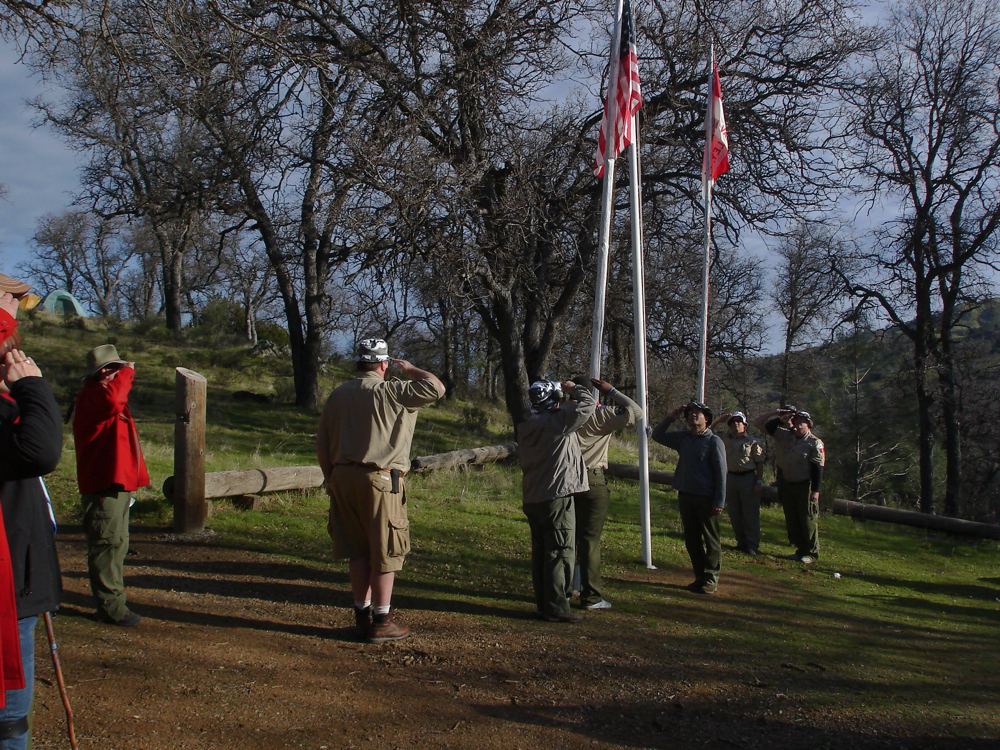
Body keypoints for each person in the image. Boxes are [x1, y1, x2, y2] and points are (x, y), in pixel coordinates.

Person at [316, 338, 444, 644]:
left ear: (358, 363)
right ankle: (382, 621)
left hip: (343, 478)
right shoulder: (394, 391)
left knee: (357, 550)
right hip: (381, 481)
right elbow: (436, 388)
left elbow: (323, 443)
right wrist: (410, 369)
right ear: (384, 365)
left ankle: (361, 617)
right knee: (385, 551)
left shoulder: (338, 394)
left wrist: (331, 479)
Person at [0, 278, 63, 750]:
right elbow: (40, 451)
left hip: (20, 571)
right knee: (9, 719)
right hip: (8, 583)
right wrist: (33, 388)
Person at [71, 345, 149, 626]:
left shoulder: (99, 395)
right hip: (103, 484)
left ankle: (114, 604)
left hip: (114, 483)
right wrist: (127, 373)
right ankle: (111, 609)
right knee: (107, 544)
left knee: (117, 543)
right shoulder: (95, 396)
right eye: (117, 369)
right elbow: (116, 400)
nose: (123, 374)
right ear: (106, 371)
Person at [518, 379, 596, 623]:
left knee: (542, 554)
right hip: (556, 497)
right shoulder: (558, 422)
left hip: (533, 497)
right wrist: (574, 388)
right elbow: (588, 405)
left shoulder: (528, 425)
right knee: (560, 552)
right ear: (555, 399)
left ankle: (545, 604)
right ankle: (557, 607)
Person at [572, 377, 643, 610]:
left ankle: (563, 590)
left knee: (566, 537)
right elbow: (636, 412)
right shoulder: (599, 414)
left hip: (564, 479)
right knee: (589, 540)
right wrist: (611, 391)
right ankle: (591, 596)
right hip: (592, 479)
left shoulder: (560, 413)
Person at [651, 401, 726, 594]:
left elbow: (721, 473)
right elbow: (657, 435)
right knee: (692, 540)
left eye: (698, 413)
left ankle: (711, 578)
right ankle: (700, 577)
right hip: (686, 495)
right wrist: (671, 417)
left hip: (706, 498)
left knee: (711, 540)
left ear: (706, 419)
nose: (693, 415)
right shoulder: (683, 438)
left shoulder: (713, 441)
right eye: (691, 413)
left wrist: (719, 500)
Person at [753, 407, 825, 563]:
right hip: (788, 483)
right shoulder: (786, 436)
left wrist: (816, 490)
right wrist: (778, 416)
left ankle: (811, 552)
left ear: (809, 424)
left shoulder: (814, 442)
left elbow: (818, 468)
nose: (798, 423)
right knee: (792, 518)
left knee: (807, 519)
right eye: (796, 419)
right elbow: (761, 424)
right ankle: (800, 550)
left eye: (802, 421)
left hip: (805, 484)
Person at [710, 411, 764, 555]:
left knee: (750, 513)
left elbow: (759, 463)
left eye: (739, 421)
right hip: (730, 478)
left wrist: (759, 481)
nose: (736, 424)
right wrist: (719, 420)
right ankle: (741, 542)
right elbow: (708, 431)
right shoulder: (724, 438)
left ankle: (752, 545)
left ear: (745, 424)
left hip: (748, 478)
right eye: (733, 422)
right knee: (734, 513)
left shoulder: (752, 441)